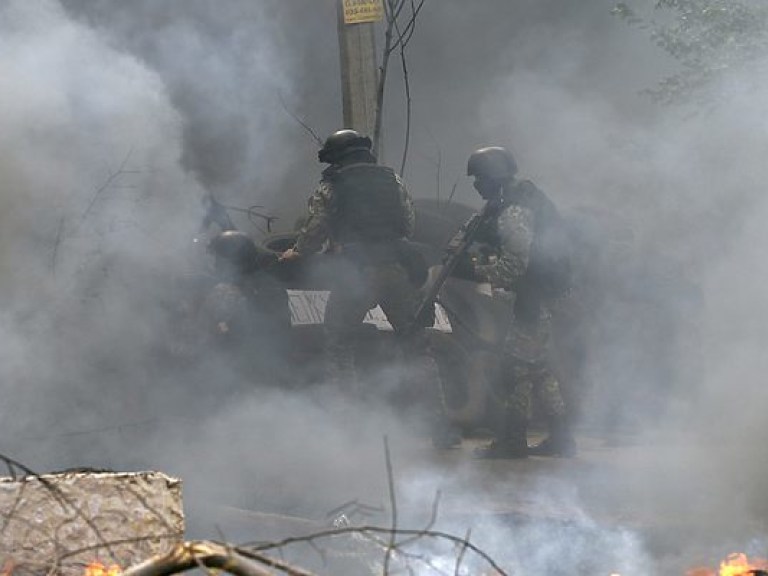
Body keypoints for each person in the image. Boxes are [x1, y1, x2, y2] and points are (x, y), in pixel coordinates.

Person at [281, 129, 457, 447]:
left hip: (356, 272)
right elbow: (408, 223)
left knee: (338, 344)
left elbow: (314, 230)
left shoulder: (331, 186)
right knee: (418, 348)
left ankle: (346, 426)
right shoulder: (393, 180)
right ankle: (441, 430)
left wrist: (297, 251)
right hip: (398, 270)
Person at [463, 146, 576, 458]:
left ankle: (513, 441)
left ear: (493, 177)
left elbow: (514, 267)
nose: (476, 185)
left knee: (515, 368)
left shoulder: (514, 210)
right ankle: (563, 438)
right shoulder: (521, 197)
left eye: (479, 178)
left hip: (536, 296)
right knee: (538, 368)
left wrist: (476, 270)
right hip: (545, 293)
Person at [200, 229, 292, 385]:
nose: (215, 263)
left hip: (244, 369)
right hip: (278, 357)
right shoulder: (268, 281)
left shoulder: (226, 293)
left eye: (217, 259)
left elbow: (211, 335)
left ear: (229, 262)